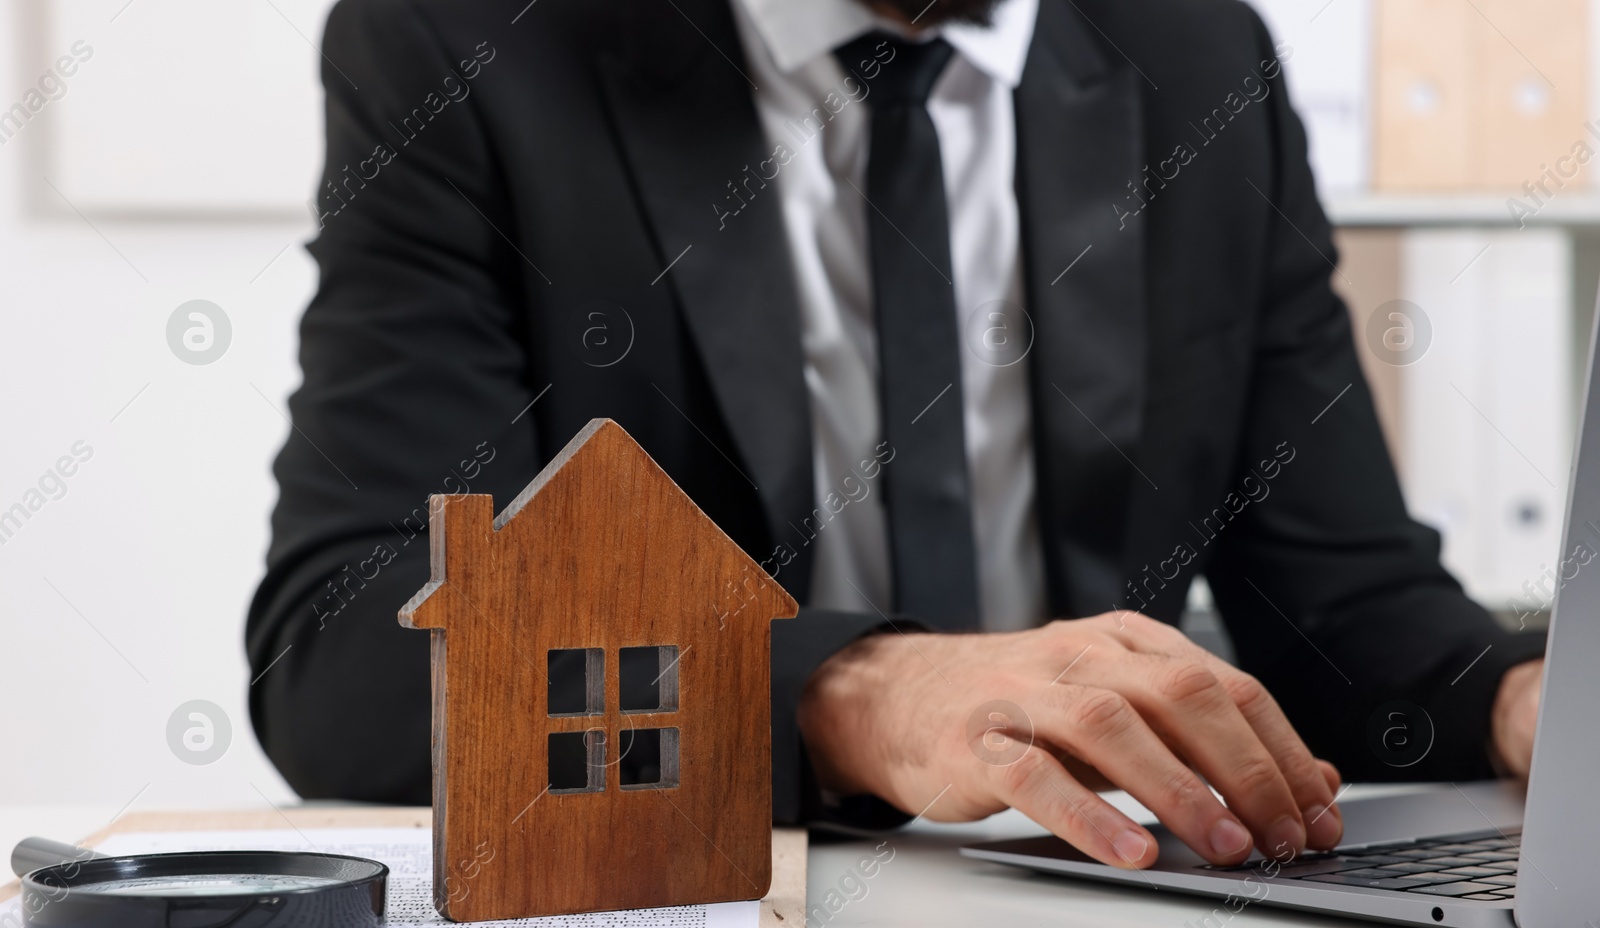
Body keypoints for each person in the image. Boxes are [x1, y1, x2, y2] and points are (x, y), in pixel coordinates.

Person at [247, 0, 1549, 870]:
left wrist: (1516, 703)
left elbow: (1343, 605)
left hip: (1109, 920)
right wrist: (844, 695)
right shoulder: (463, 40)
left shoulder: (1197, 52)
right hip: (727, 915)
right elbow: (346, 647)